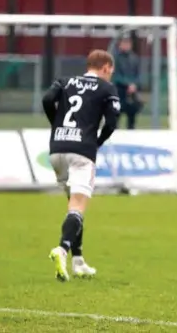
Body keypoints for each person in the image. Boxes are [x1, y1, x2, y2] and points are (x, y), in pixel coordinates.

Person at [44, 50, 120, 282]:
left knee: (73, 207)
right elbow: (112, 122)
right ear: (106, 67)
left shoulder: (65, 81)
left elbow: (47, 99)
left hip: (57, 150)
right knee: (78, 206)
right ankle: (62, 250)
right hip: (81, 151)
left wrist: (56, 126)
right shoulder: (107, 89)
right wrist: (96, 142)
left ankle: (78, 261)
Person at [112, 37, 142, 130]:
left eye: (128, 43)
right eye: (124, 43)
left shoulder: (135, 58)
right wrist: (127, 84)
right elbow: (115, 75)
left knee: (132, 116)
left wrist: (134, 85)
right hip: (119, 90)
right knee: (116, 115)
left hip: (132, 92)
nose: (126, 46)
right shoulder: (115, 58)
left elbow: (138, 74)